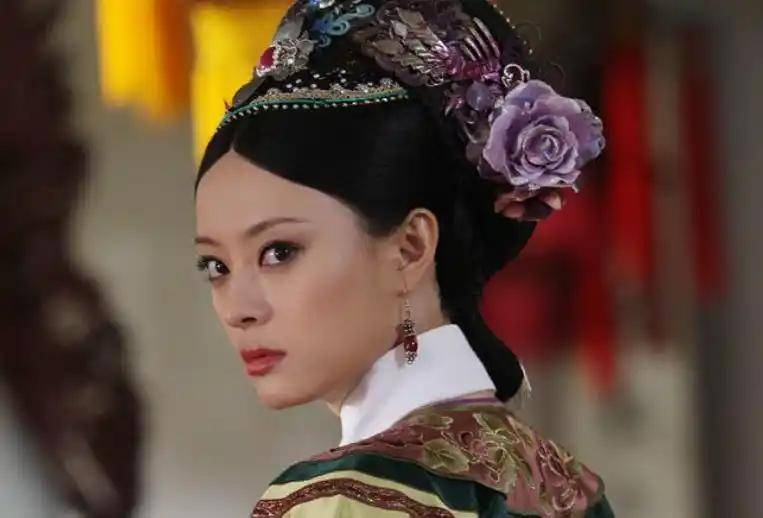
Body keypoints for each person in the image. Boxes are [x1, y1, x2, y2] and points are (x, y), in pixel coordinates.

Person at [193, 0, 612, 515]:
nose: (238, 308)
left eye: (279, 252)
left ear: (410, 248)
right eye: (216, 267)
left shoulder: (341, 498)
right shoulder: (563, 484)